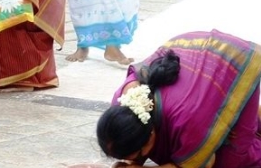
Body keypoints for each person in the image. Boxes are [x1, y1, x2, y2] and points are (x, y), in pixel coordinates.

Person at [97, 30, 261, 168]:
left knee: (232, 158)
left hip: (233, 62)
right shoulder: (122, 105)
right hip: (186, 77)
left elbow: (198, 164)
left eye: (135, 156)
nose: (131, 161)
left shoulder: (187, 122)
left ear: (151, 133)